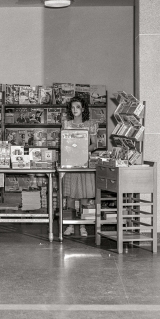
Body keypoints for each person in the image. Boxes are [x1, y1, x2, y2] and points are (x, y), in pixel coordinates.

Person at [62, 96, 98, 237]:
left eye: (78, 107)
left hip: (84, 163)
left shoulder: (90, 125)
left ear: (83, 109)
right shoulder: (67, 124)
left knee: (84, 195)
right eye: (72, 107)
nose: (75, 110)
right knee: (70, 196)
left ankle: (82, 225)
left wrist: (83, 150)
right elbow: (64, 143)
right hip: (70, 163)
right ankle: (70, 225)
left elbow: (95, 144)